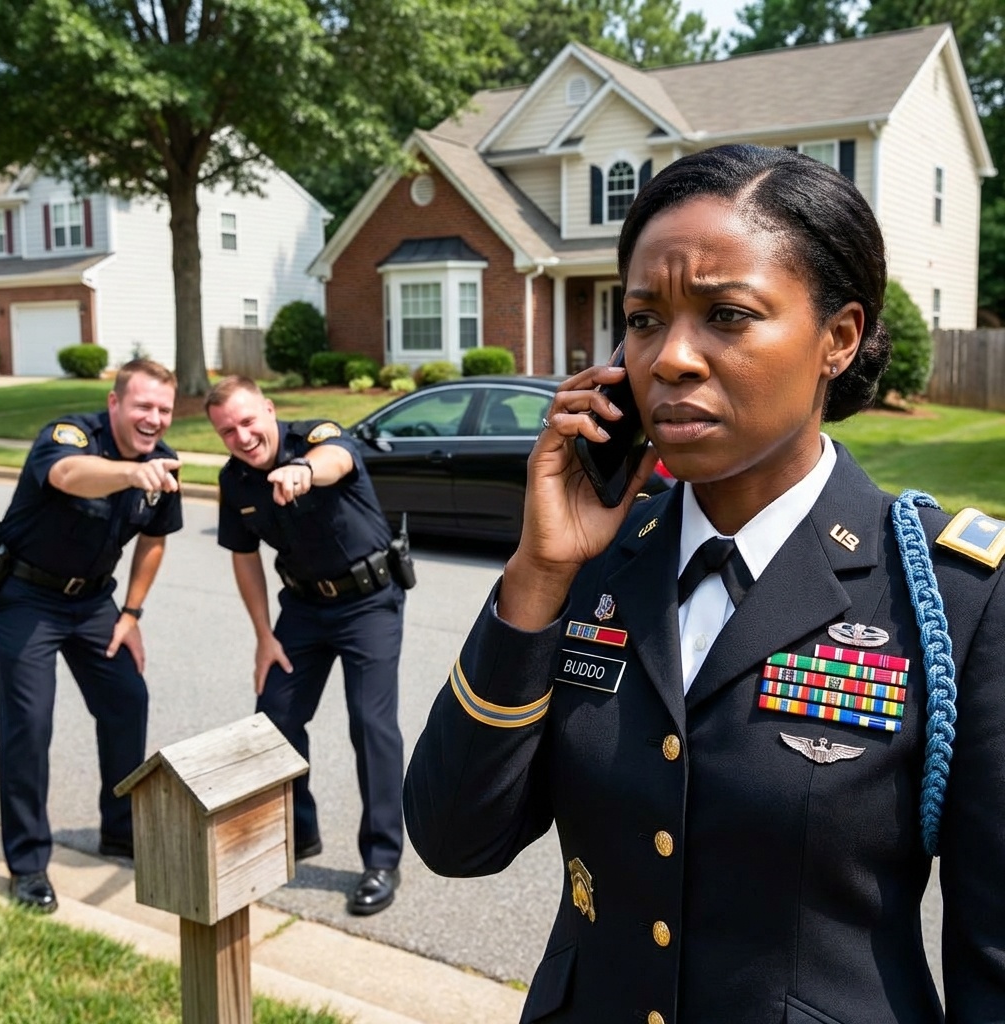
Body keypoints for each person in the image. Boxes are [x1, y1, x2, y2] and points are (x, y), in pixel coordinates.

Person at [403, 145, 1005, 1023]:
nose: (671, 359)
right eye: (644, 319)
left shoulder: (950, 596)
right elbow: (456, 839)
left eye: (727, 315)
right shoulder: (596, 562)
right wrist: (538, 573)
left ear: (837, 338)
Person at [0, 358, 183, 913]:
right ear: (115, 403)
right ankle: (27, 865)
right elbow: (68, 475)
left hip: (94, 601)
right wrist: (128, 472)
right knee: (29, 724)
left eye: (164, 409)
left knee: (126, 701)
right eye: (143, 406)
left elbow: (155, 540)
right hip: (26, 597)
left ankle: (119, 831)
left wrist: (132, 614)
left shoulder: (163, 463)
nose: (154, 418)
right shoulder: (71, 434)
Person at [205, 376, 406, 915]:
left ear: (269, 410)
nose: (243, 436)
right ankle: (299, 832)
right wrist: (263, 636)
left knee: (371, 723)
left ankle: (382, 859)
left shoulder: (314, 440)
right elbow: (244, 556)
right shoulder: (235, 482)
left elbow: (338, 457)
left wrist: (303, 469)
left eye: (249, 421)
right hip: (302, 610)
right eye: (228, 431)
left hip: (368, 601)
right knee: (273, 720)